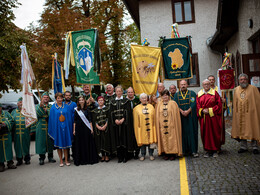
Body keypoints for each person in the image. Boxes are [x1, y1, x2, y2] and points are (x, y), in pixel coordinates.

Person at [231, 73, 260, 154]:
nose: (243, 81)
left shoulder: (253, 88)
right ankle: (243, 146)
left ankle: (255, 147)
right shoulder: (236, 89)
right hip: (240, 114)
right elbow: (235, 102)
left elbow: (257, 102)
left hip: (251, 114)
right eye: (241, 79)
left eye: (244, 79)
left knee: (253, 128)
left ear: (247, 80)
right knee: (241, 129)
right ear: (238, 81)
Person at [197, 79, 222, 158]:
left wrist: (210, 110)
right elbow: (197, 106)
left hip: (213, 117)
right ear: (202, 85)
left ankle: (215, 150)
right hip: (204, 118)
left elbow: (219, 105)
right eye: (205, 84)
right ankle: (207, 150)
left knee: (214, 133)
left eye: (208, 84)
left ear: (210, 84)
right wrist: (202, 110)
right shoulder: (199, 94)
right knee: (205, 134)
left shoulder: (215, 93)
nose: (206, 85)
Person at [155, 89, 182, 160]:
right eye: (163, 96)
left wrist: (174, 124)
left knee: (172, 139)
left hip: (171, 125)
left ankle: (172, 153)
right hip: (162, 126)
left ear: (169, 96)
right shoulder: (159, 104)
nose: (165, 97)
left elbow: (176, 116)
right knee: (164, 139)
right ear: (161, 96)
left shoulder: (173, 103)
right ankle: (166, 153)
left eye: (166, 95)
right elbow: (157, 116)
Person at [174, 80, 198, 157]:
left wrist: (188, 111)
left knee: (192, 132)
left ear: (187, 85)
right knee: (182, 133)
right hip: (181, 117)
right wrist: (181, 111)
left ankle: (193, 151)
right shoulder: (176, 95)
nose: (183, 86)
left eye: (184, 84)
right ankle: (183, 150)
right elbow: (176, 104)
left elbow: (194, 103)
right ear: (179, 86)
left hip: (190, 117)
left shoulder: (192, 93)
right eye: (181, 84)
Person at [110, 85, 134, 163]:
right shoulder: (112, 102)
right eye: (117, 91)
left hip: (124, 124)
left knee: (124, 139)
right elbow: (111, 113)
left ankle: (125, 156)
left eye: (120, 91)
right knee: (118, 140)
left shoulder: (126, 101)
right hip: (116, 124)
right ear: (115, 92)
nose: (119, 93)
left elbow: (128, 111)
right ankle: (119, 157)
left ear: (122, 92)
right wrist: (115, 120)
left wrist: (123, 119)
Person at [48, 92, 73, 167]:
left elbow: (69, 118)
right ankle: (61, 161)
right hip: (58, 129)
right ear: (56, 99)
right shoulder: (53, 108)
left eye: (61, 98)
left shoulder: (66, 106)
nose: (60, 99)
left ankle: (66, 160)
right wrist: (54, 129)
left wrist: (69, 127)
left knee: (65, 145)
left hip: (66, 128)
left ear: (63, 98)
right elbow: (52, 120)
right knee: (59, 145)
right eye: (58, 98)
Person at [73, 96, 99, 165]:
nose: (81, 101)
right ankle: (82, 159)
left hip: (86, 128)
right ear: (78, 102)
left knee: (87, 143)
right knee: (80, 144)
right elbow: (74, 121)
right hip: (79, 128)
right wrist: (74, 130)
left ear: (84, 101)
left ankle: (88, 159)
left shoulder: (87, 109)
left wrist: (92, 129)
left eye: (82, 100)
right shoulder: (76, 110)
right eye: (80, 100)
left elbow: (90, 120)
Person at [133, 93, 157, 161]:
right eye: (142, 98)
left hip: (150, 127)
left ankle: (151, 154)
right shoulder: (136, 108)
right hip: (142, 128)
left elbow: (154, 117)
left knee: (150, 140)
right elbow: (136, 120)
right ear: (140, 99)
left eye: (145, 98)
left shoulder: (151, 107)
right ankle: (143, 154)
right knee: (142, 141)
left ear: (147, 99)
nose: (144, 99)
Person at [35, 92, 56, 165]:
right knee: (41, 142)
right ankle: (41, 158)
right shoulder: (38, 106)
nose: (46, 99)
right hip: (41, 126)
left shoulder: (51, 106)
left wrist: (47, 111)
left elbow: (54, 114)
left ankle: (50, 157)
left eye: (47, 97)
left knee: (50, 142)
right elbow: (38, 114)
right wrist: (41, 108)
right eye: (44, 97)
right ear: (42, 98)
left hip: (50, 126)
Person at [12, 97, 31, 165]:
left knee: (26, 146)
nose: (21, 103)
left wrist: (31, 131)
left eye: (22, 102)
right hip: (16, 133)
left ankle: (27, 159)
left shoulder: (27, 111)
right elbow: (11, 121)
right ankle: (19, 160)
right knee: (17, 147)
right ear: (17, 104)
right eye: (20, 102)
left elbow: (31, 121)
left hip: (25, 132)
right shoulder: (13, 112)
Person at [207, 75, 226, 146]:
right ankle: (211, 145)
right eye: (210, 80)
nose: (211, 81)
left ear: (214, 81)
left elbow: (223, 99)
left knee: (218, 128)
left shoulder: (219, 89)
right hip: (210, 112)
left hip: (218, 112)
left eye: (212, 79)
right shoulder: (206, 90)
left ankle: (219, 144)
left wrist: (224, 101)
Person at [92, 96, 110, 162]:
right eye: (99, 100)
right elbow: (94, 120)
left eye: (102, 100)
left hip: (106, 128)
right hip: (98, 129)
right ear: (97, 102)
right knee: (100, 141)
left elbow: (108, 118)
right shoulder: (95, 111)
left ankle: (107, 155)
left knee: (106, 141)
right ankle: (102, 155)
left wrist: (105, 125)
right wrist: (98, 126)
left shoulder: (107, 109)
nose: (100, 102)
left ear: (104, 101)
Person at [0, 103, 16, 172]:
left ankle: (10, 163)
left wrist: (5, 124)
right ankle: (1, 165)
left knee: (8, 149)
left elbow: (12, 121)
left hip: (7, 135)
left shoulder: (6, 113)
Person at [126, 87, 140, 159]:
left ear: (134, 93)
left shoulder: (138, 100)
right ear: (127, 93)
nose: (130, 94)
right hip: (128, 122)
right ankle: (130, 152)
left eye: (131, 92)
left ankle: (137, 152)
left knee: (137, 136)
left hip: (137, 121)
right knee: (129, 137)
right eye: (129, 92)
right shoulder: (125, 101)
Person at [64, 91, 77, 160]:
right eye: (66, 95)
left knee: (73, 140)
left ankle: (74, 154)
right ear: (64, 96)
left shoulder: (74, 104)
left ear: (71, 96)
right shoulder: (62, 104)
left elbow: (76, 114)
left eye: (69, 95)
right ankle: (67, 155)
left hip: (72, 124)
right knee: (66, 139)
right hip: (65, 125)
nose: (68, 97)